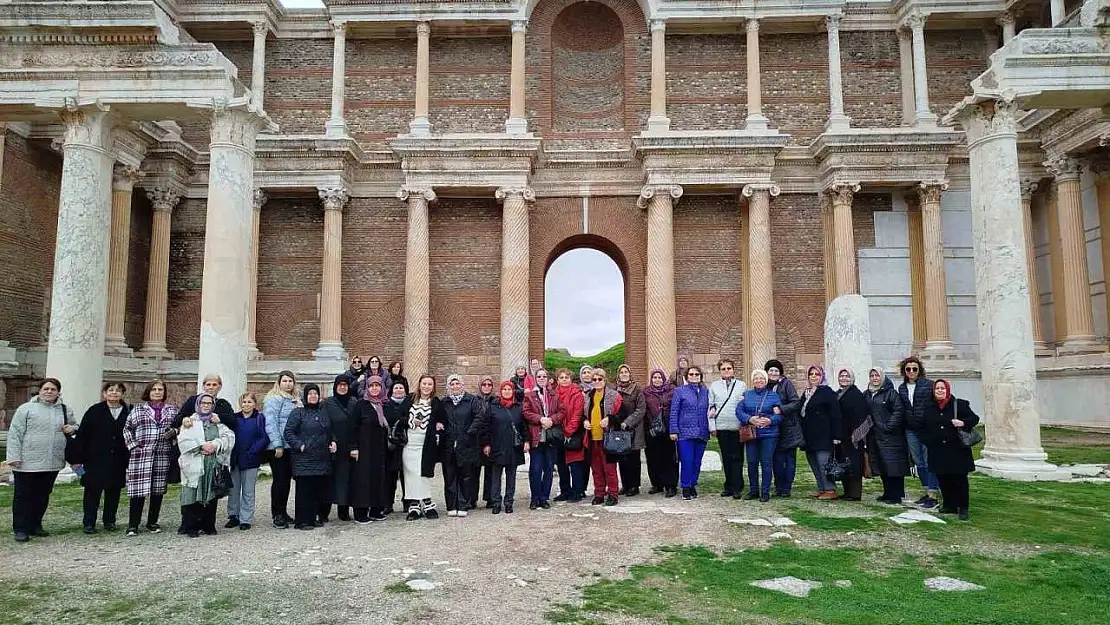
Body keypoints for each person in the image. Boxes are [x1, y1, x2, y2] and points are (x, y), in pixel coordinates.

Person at [8, 378, 76, 543]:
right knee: (23, 496)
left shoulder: (64, 410)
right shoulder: (26, 409)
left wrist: (72, 428)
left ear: (58, 392)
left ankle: (35, 524)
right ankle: (20, 528)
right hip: (27, 461)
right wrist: (14, 457)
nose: (49, 392)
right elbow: (15, 433)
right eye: (46, 389)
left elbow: (75, 426)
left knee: (42, 495)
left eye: (53, 389)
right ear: (39, 391)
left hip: (52, 460)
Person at [908, 380, 980, 520]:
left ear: (947, 389)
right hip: (938, 450)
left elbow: (974, 418)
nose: (939, 391)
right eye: (937, 388)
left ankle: (963, 507)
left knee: (959, 479)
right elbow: (921, 427)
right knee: (943, 478)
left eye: (942, 388)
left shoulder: (959, 404)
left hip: (957, 450)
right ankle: (949, 504)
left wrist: (963, 423)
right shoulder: (929, 408)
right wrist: (929, 441)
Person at [74, 382, 131, 534]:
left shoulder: (128, 411)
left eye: (118, 391)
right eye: (110, 390)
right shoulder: (94, 411)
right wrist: (78, 460)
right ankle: (89, 522)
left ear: (123, 394)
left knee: (114, 491)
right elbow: (83, 436)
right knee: (92, 491)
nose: (114, 393)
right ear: (104, 393)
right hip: (95, 458)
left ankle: (109, 520)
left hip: (119, 458)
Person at [123, 379, 177, 536]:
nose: (157, 392)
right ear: (149, 392)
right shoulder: (138, 409)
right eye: (154, 389)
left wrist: (174, 432)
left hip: (162, 454)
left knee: (157, 491)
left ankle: (152, 522)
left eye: (160, 389)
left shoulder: (172, 410)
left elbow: (178, 426)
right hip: (141, 454)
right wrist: (133, 447)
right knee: (138, 491)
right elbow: (127, 429)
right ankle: (133, 524)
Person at [176, 393, 235, 538]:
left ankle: (209, 525)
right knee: (192, 494)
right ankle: (192, 526)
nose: (206, 406)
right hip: (195, 462)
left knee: (210, 494)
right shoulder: (190, 421)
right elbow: (183, 440)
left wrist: (215, 444)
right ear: (198, 404)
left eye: (209, 403)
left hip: (212, 463)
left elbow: (229, 437)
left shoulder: (217, 421)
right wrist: (200, 446)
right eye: (203, 403)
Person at [284, 384, 337, 530]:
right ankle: (301, 521)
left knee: (316, 490)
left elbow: (330, 430)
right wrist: (300, 445)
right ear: (305, 396)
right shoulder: (298, 412)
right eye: (310, 393)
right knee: (304, 491)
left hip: (321, 458)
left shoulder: (323, 412)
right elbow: (288, 432)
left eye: (315, 393)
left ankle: (312, 518)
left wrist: (333, 441)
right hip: (304, 458)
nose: (313, 396)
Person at [474, 381, 529, 514]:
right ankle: (496, 502)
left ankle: (509, 502)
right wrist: (486, 444)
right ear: (501, 391)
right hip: (497, 446)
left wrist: (527, 440)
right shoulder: (493, 407)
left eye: (509, 389)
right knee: (496, 477)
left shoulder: (518, 407)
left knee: (511, 477)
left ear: (513, 391)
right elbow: (486, 427)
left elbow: (523, 426)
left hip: (513, 446)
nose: (507, 391)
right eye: (504, 389)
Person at [898, 356, 940, 509]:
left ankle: (932, 493)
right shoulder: (902, 388)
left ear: (919, 370)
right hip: (911, 429)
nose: (911, 372)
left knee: (929, 460)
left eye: (914, 369)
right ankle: (926, 489)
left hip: (926, 428)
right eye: (908, 369)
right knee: (918, 460)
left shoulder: (928, 385)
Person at [864, 367, 910, 505]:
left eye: (877, 375)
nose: (874, 378)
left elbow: (898, 411)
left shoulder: (891, 393)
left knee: (894, 466)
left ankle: (896, 495)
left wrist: (888, 426)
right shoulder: (867, 393)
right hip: (874, 435)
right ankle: (887, 492)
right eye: (872, 375)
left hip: (891, 436)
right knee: (882, 464)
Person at [348, 376, 390, 523]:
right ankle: (360, 512)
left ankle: (375, 509)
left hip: (379, 449)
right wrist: (353, 447)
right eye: (371, 386)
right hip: (364, 449)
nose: (374, 389)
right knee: (363, 480)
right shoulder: (361, 405)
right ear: (367, 388)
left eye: (377, 386)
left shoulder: (383, 404)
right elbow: (352, 427)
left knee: (377, 479)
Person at [440, 374, 482, 517]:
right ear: (448, 387)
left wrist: (469, 432)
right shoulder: (444, 402)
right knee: (450, 476)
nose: (455, 387)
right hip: (449, 444)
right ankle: (451, 505)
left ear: (462, 385)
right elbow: (439, 418)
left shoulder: (471, 400)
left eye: (457, 384)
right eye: (452, 385)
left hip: (467, 444)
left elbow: (478, 417)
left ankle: (463, 504)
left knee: (466, 476)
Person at [225, 392, 269, 531]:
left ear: (255, 404)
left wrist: (253, 450)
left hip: (251, 458)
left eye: (249, 402)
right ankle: (233, 515)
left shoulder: (259, 418)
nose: (246, 405)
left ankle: (246, 518)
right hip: (235, 458)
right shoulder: (235, 418)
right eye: (244, 402)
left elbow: (264, 437)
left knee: (248, 490)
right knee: (233, 489)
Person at [737, 369, 782, 502]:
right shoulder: (746, 395)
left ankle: (765, 491)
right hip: (752, 433)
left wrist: (770, 420)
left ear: (766, 380)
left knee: (766, 462)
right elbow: (739, 411)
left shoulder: (773, 396)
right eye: (756, 378)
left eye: (761, 378)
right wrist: (749, 419)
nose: (759, 380)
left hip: (769, 434)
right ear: (753, 380)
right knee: (751, 462)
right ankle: (753, 490)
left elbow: (779, 415)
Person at [799, 365, 842, 500]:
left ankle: (830, 489)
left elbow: (835, 414)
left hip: (823, 434)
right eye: (811, 374)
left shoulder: (827, 392)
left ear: (822, 376)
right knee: (813, 462)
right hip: (809, 434)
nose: (813, 376)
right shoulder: (807, 392)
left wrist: (836, 435)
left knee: (823, 462)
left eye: (817, 374)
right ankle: (822, 488)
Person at [523, 369, 564, 509]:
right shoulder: (530, 395)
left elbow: (562, 412)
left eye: (544, 376)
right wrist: (540, 419)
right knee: (535, 468)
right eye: (539, 376)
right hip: (537, 436)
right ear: (535, 379)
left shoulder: (554, 395)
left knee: (548, 468)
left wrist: (551, 420)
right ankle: (535, 497)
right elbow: (526, 413)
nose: (542, 378)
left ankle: (544, 497)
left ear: (548, 379)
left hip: (551, 436)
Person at [263, 370, 300, 528]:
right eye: (285, 381)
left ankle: (283, 512)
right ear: (279, 382)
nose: (288, 384)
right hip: (278, 447)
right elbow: (271, 422)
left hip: (291, 446)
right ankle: (277, 514)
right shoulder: (274, 399)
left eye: (290, 381)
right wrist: (277, 444)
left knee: (286, 481)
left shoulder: (295, 400)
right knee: (279, 481)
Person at [403, 375, 442, 520]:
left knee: (423, 473)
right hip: (410, 443)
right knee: (411, 474)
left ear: (433, 387)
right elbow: (399, 416)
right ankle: (414, 505)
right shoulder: (410, 399)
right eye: (424, 383)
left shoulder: (436, 402)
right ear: (419, 385)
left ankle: (427, 503)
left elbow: (442, 418)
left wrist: (439, 424)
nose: (426, 386)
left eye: (429, 384)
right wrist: (411, 421)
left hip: (426, 444)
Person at [669, 366, 710, 500]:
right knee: (687, 461)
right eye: (691, 374)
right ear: (686, 377)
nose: (694, 376)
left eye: (697, 374)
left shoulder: (705, 392)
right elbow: (674, 411)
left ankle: (693, 484)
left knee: (697, 462)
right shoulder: (680, 391)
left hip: (701, 431)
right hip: (685, 432)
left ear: (700, 376)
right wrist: (673, 430)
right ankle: (686, 486)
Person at [584, 367, 623, 506]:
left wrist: (610, 419)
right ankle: (599, 493)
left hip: (608, 437)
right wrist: (585, 421)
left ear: (604, 380)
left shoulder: (614, 395)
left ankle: (613, 494)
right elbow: (584, 414)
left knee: (609, 467)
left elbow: (621, 415)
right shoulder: (588, 395)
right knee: (596, 468)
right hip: (592, 437)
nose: (597, 381)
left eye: (599, 379)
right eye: (594, 379)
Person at [708, 358, 746, 498]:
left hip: (737, 426)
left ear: (733, 369)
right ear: (720, 371)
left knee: (737, 457)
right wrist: (712, 426)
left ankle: (737, 486)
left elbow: (743, 404)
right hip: (722, 426)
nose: (726, 371)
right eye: (723, 369)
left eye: (729, 368)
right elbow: (711, 406)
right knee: (726, 457)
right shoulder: (714, 386)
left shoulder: (741, 385)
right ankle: (728, 485)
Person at [766, 359, 802, 497]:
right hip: (774, 428)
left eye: (776, 370)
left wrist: (781, 409)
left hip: (788, 427)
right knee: (777, 459)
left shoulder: (786, 384)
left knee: (789, 459)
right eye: (771, 370)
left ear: (780, 372)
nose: (773, 373)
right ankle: (778, 486)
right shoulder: (766, 386)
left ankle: (787, 487)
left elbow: (795, 403)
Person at [322, 374, 354, 522]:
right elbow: (324, 424)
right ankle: (323, 512)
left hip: (348, 448)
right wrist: (331, 440)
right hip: (332, 447)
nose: (342, 387)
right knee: (328, 481)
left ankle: (343, 510)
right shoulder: (327, 403)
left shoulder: (354, 402)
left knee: (345, 481)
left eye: (345, 385)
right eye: (340, 385)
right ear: (335, 386)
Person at [642, 367, 678, 497]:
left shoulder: (671, 391)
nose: (657, 380)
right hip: (651, 429)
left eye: (659, 377)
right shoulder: (646, 392)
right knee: (653, 458)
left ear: (663, 379)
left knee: (668, 458)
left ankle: (670, 485)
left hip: (668, 429)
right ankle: (657, 484)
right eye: (654, 377)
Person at [835, 367, 869, 502]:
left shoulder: (855, 394)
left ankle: (855, 493)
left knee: (854, 463)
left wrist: (856, 434)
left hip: (854, 436)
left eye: (847, 376)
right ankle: (847, 491)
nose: (844, 378)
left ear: (852, 378)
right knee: (844, 463)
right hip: (842, 435)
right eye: (842, 376)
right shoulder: (838, 393)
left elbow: (862, 415)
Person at [553, 368, 587, 502]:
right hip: (558, 433)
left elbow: (577, 414)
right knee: (561, 465)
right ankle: (565, 491)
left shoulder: (577, 394)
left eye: (566, 377)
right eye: (561, 377)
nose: (564, 379)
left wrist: (568, 431)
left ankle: (577, 491)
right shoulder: (554, 394)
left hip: (574, 432)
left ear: (571, 379)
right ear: (557, 380)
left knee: (575, 464)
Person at [613, 364, 647, 497]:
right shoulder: (615, 389)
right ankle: (625, 485)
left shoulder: (637, 389)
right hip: (620, 429)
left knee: (633, 458)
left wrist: (628, 422)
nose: (624, 374)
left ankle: (634, 486)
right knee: (622, 458)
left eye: (626, 371)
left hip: (634, 428)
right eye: (621, 372)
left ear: (630, 373)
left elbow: (641, 409)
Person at [381, 381, 411, 513]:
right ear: (392, 390)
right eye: (396, 388)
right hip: (391, 443)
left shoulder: (410, 403)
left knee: (406, 474)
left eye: (401, 388)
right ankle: (388, 502)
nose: (398, 390)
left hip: (407, 442)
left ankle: (408, 501)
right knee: (390, 475)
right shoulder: (386, 404)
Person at [470, 375, 497, 509]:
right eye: (484, 385)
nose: (486, 387)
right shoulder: (473, 400)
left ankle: (490, 498)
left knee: (490, 471)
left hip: (491, 439)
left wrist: (489, 442)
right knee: (473, 471)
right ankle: (472, 498)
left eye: (489, 385)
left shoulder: (496, 401)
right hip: (475, 440)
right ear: (480, 386)